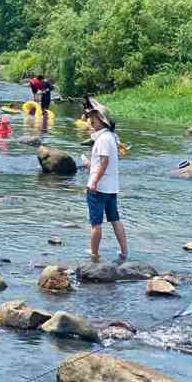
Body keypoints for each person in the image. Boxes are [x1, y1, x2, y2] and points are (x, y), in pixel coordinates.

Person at [84, 99, 128, 263]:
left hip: (99, 188)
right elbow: (104, 162)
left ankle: (94, 255)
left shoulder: (102, 139)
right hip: (111, 187)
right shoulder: (112, 137)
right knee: (115, 219)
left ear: (101, 120)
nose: (91, 122)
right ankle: (124, 252)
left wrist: (93, 181)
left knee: (96, 224)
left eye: (93, 119)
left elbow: (104, 162)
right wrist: (90, 165)